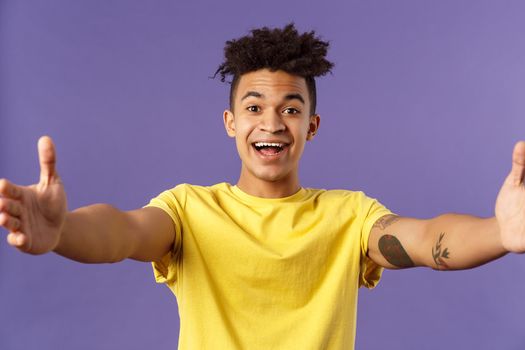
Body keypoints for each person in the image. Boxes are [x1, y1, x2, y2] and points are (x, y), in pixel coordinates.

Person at [0, 23, 524, 350]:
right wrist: (63, 231)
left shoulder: (349, 216)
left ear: (311, 126)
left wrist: (500, 233)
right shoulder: (188, 210)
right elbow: (123, 232)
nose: (271, 123)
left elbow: (426, 239)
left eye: (290, 109)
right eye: (254, 108)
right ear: (230, 122)